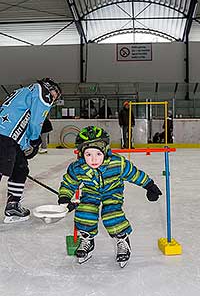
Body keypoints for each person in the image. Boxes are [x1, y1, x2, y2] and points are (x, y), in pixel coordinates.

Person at [58, 126, 162, 267]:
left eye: (98, 154)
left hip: (112, 192)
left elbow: (134, 174)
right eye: (88, 155)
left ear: (105, 151)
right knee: (85, 211)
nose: (93, 159)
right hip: (91, 193)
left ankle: (122, 239)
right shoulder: (78, 168)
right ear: (82, 154)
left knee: (111, 214)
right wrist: (64, 198)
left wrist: (149, 186)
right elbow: (69, 183)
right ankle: (87, 239)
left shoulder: (117, 163)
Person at [0, 78, 62, 223]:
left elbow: (20, 119)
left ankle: (13, 205)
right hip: (6, 137)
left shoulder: (24, 91)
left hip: (9, 137)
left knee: (20, 168)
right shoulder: (43, 93)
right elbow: (35, 121)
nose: (53, 99)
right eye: (55, 95)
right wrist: (35, 141)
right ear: (50, 88)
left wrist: (24, 145)